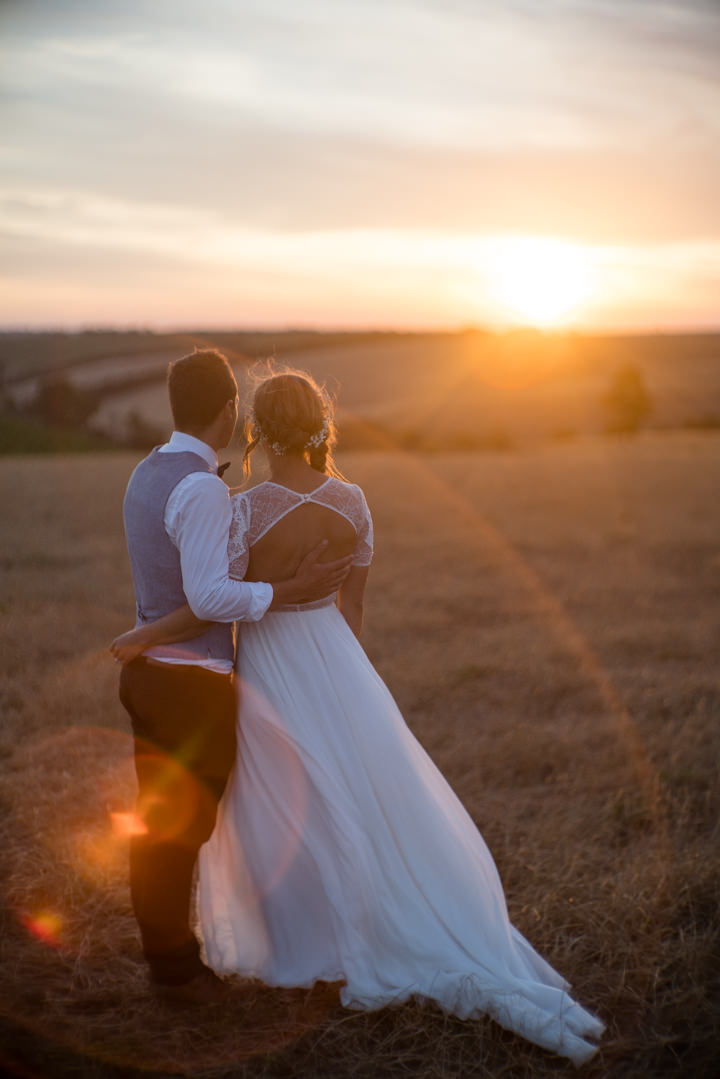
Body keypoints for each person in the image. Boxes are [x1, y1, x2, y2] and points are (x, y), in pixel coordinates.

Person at [112, 368, 604, 1064]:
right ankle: (377, 918)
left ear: (256, 427)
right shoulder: (355, 502)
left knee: (283, 805)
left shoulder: (245, 509)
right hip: (340, 664)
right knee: (363, 796)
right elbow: (355, 607)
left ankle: (305, 935)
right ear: (318, 426)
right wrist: (346, 679)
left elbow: (215, 600)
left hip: (270, 668)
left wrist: (146, 634)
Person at [116, 351, 353, 1004]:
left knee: (159, 828)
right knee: (178, 834)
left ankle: (168, 959)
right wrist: (287, 589)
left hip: (150, 677)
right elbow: (211, 594)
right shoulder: (202, 488)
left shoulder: (147, 471)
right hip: (189, 686)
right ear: (228, 411)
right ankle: (176, 972)